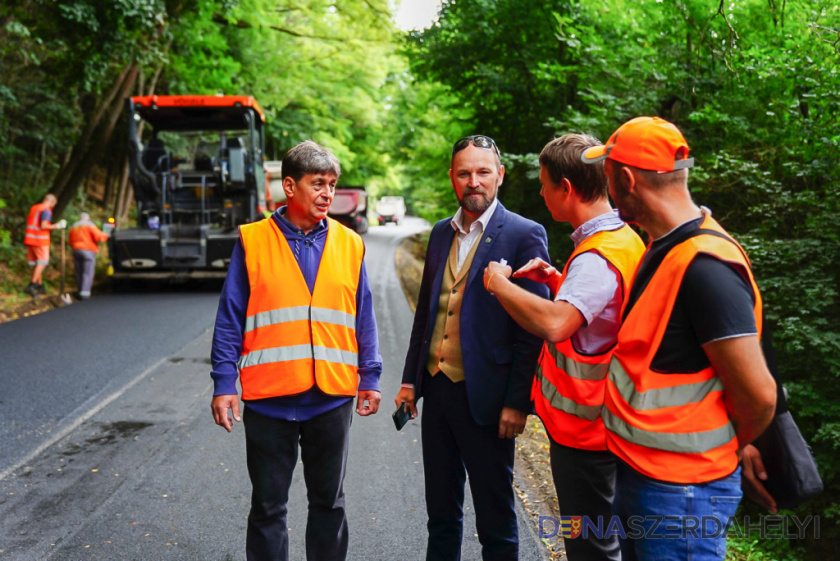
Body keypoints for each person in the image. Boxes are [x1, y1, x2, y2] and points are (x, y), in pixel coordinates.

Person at [580, 116, 777, 561]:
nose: (608, 192)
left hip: (682, 493)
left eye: (609, 179)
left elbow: (759, 396)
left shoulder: (705, 267)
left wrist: (730, 444)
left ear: (626, 179)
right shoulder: (663, 246)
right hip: (646, 476)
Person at [210, 140, 382, 561]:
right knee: (268, 508)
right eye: (317, 183)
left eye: (332, 184)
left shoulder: (349, 242)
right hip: (269, 401)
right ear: (289, 186)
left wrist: (370, 376)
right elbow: (230, 315)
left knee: (330, 503)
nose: (328, 193)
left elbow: (363, 314)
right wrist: (223, 383)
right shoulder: (253, 241)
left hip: (330, 399)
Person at [482, 134, 645, 561]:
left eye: (544, 184)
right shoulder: (622, 239)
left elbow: (556, 325)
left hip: (587, 433)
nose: (540, 192)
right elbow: (605, 316)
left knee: (590, 546)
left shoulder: (596, 257)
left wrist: (498, 284)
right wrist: (559, 283)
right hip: (608, 424)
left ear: (567, 189)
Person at [396, 135, 550, 561]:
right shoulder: (442, 233)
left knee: (496, 522)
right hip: (437, 391)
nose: (473, 181)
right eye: (464, 173)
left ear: (499, 176)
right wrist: (410, 381)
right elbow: (426, 316)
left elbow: (532, 329)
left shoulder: (524, 234)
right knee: (440, 515)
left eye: (483, 172)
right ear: (452, 178)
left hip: (488, 398)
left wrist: (518, 402)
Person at [23, 193, 66, 297]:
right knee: (42, 262)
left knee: (38, 263)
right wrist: (57, 226)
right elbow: (44, 226)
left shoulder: (35, 208)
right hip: (39, 240)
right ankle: (32, 285)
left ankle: (39, 285)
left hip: (30, 238)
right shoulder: (46, 210)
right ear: (52, 202)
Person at [68, 212, 109, 300]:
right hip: (88, 251)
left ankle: (80, 290)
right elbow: (99, 237)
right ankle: (85, 294)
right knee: (87, 272)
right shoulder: (89, 225)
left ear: (80, 218)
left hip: (76, 250)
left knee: (79, 271)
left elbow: (70, 241)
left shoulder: (73, 226)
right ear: (88, 218)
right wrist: (105, 235)